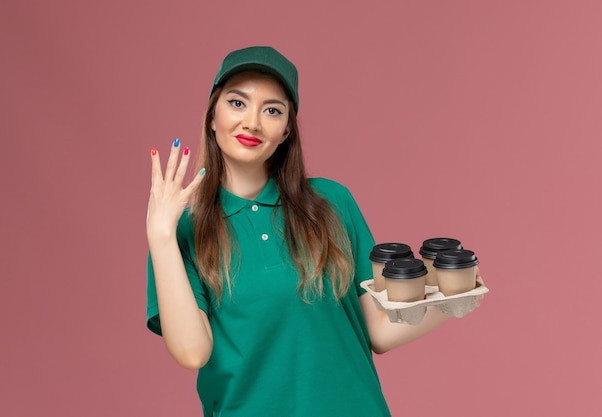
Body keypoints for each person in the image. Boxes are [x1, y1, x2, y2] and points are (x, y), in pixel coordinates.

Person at [145, 46, 483, 416]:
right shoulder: (181, 230)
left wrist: (453, 299)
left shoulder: (332, 202)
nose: (253, 122)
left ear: (287, 129)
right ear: (213, 115)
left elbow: (379, 331)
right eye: (237, 103)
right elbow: (193, 351)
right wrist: (161, 237)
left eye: (272, 110)